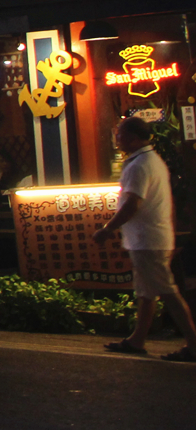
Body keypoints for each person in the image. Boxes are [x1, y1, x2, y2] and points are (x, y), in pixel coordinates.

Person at [95, 114, 196, 361]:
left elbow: (132, 204)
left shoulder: (139, 165)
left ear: (131, 138)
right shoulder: (153, 161)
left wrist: (107, 229)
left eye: (119, 134)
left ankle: (194, 343)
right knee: (146, 291)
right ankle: (137, 339)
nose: (117, 138)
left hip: (147, 239)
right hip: (153, 237)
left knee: (167, 291)